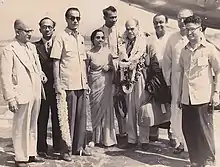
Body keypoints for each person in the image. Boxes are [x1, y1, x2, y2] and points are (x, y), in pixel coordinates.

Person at [0, 19, 46, 167]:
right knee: (20, 126)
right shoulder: (9, 49)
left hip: (35, 91)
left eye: (31, 31)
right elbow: (5, 76)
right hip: (20, 92)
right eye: (27, 31)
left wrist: (41, 74)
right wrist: (10, 98)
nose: (30, 34)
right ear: (17, 32)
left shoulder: (32, 48)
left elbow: (37, 67)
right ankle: (20, 157)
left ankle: (31, 153)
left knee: (33, 124)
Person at [178, 15, 220, 167]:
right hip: (187, 97)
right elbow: (182, 74)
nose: (189, 33)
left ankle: (208, 161)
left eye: (192, 30)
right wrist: (179, 96)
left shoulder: (209, 49)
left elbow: (219, 70)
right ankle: (195, 160)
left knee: (204, 132)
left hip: (203, 97)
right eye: (186, 30)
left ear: (200, 29)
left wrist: (216, 93)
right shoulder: (184, 51)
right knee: (189, 130)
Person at [50, 7, 91, 162]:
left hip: (81, 83)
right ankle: (65, 149)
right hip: (67, 83)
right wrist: (57, 83)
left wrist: (86, 81)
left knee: (81, 118)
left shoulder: (80, 38)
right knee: (67, 119)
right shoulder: (60, 37)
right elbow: (56, 61)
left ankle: (79, 147)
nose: (75, 21)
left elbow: (83, 62)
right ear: (66, 19)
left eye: (77, 18)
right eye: (72, 18)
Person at [163, 9, 193, 154]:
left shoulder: (194, 37)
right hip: (176, 82)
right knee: (177, 111)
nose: (182, 21)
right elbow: (167, 62)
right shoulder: (172, 38)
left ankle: (191, 146)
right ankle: (181, 142)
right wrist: (168, 82)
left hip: (192, 83)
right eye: (179, 18)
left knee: (191, 112)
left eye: (185, 18)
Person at [146, 13, 176, 146]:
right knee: (154, 103)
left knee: (170, 105)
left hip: (169, 75)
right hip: (154, 76)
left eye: (161, 22)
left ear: (166, 22)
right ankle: (153, 132)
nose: (158, 25)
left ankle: (172, 135)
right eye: (156, 23)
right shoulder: (150, 39)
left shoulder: (171, 38)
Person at [35, 17, 61, 157]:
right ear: (40, 29)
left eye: (50, 27)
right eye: (44, 27)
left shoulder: (59, 44)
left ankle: (57, 146)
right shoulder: (34, 47)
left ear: (53, 29)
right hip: (42, 89)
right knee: (42, 118)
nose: (47, 29)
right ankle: (42, 148)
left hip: (57, 87)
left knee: (58, 118)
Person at [99, 6, 127, 138]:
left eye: (116, 17)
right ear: (104, 17)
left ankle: (123, 131)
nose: (114, 20)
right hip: (105, 68)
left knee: (120, 99)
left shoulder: (122, 31)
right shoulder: (100, 32)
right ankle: (107, 133)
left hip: (119, 66)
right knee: (107, 99)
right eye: (111, 17)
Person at [120, 19, 148, 149]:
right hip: (127, 78)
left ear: (137, 27)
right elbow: (121, 58)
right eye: (128, 29)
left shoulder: (143, 41)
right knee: (130, 108)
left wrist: (131, 63)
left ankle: (144, 140)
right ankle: (131, 138)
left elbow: (139, 58)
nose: (130, 31)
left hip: (140, 77)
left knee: (141, 107)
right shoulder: (123, 42)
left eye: (132, 28)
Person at [87, 29, 117, 147]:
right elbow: (86, 70)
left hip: (106, 84)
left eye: (102, 38)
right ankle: (95, 138)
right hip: (94, 83)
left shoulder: (108, 53)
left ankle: (107, 139)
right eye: (97, 37)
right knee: (95, 110)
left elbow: (114, 67)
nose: (100, 40)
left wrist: (109, 67)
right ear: (93, 39)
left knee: (107, 110)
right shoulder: (89, 54)